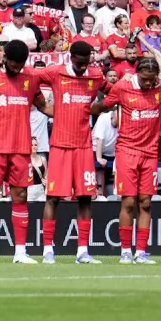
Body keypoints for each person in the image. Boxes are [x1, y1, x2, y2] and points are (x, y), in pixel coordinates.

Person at [0, 40, 50, 264]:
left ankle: (20, 252)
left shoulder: (31, 78)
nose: (17, 68)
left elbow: (43, 106)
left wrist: (69, 110)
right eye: (14, 64)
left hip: (21, 147)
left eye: (21, 64)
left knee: (20, 196)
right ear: (5, 59)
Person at [90, 57, 161, 264]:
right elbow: (103, 105)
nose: (148, 84)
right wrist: (82, 108)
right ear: (138, 74)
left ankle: (141, 252)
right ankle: (125, 251)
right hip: (127, 151)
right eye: (145, 79)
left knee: (146, 202)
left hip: (150, 153)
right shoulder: (123, 87)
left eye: (152, 80)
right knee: (128, 201)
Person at [36, 41, 105, 264]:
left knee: (86, 198)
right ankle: (47, 250)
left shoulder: (95, 76)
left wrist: (98, 107)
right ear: (70, 57)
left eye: (86, 63)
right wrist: (42, 106)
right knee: (53, 198)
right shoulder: (55, 72)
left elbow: (113, 94)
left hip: (84, 146)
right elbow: (30, 79)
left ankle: (82, 251)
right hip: (60, 145)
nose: (83, 67)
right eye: (79, 62)